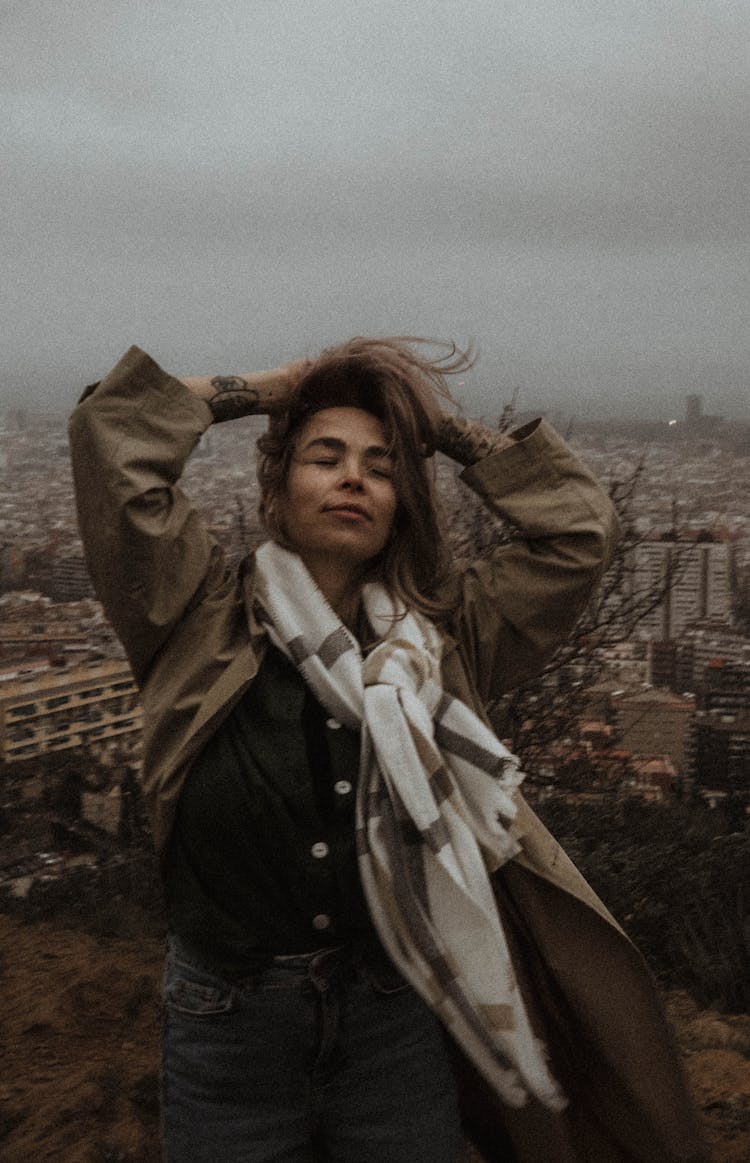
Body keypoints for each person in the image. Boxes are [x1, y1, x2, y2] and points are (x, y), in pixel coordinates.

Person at [69, 338, 705, 1163]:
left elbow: (579, 531)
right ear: (277, 485)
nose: (353, 478)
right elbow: (111, 427)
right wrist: (276, 389)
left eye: (381, 465)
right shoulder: (192, 613)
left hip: (393, 1018)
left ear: (403, 499)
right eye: (324, 456)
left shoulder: (447, 637)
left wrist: (433, 429)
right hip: (229, 1025)